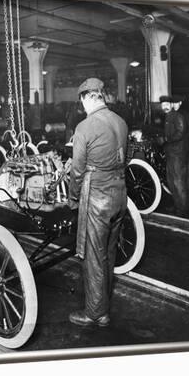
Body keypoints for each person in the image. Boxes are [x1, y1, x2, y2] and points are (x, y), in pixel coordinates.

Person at [68, 78, 128, 327]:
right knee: (109, 253)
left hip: (98, 196)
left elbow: (77, 170)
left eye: (82, 101)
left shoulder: (85, 126)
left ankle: (95, 312)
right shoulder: (120, 122)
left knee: (94, 256)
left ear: (86, 98)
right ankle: (102, 305)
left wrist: (73, 198)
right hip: (120, 193)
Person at [161, 95, 189, 217]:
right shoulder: (168, 116)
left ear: (171, 105)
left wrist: (166, 139)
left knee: (178, 181)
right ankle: (178, 205)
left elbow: (181, 132)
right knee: (171, 181)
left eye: (166, 105)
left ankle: (182, 209)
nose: (164, 107)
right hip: (172, 153)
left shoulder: (177, 116)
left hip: (178, 154)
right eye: (162, 105)